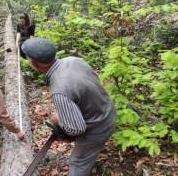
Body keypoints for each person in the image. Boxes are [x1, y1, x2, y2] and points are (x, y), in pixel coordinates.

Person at [21, 38, 117, 176]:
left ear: (34, 64)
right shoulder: (74, 60)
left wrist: (58, 118)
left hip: (99, 126)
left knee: (78, 163)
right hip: (107, 110)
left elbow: (76, 128)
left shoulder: (59, 90)